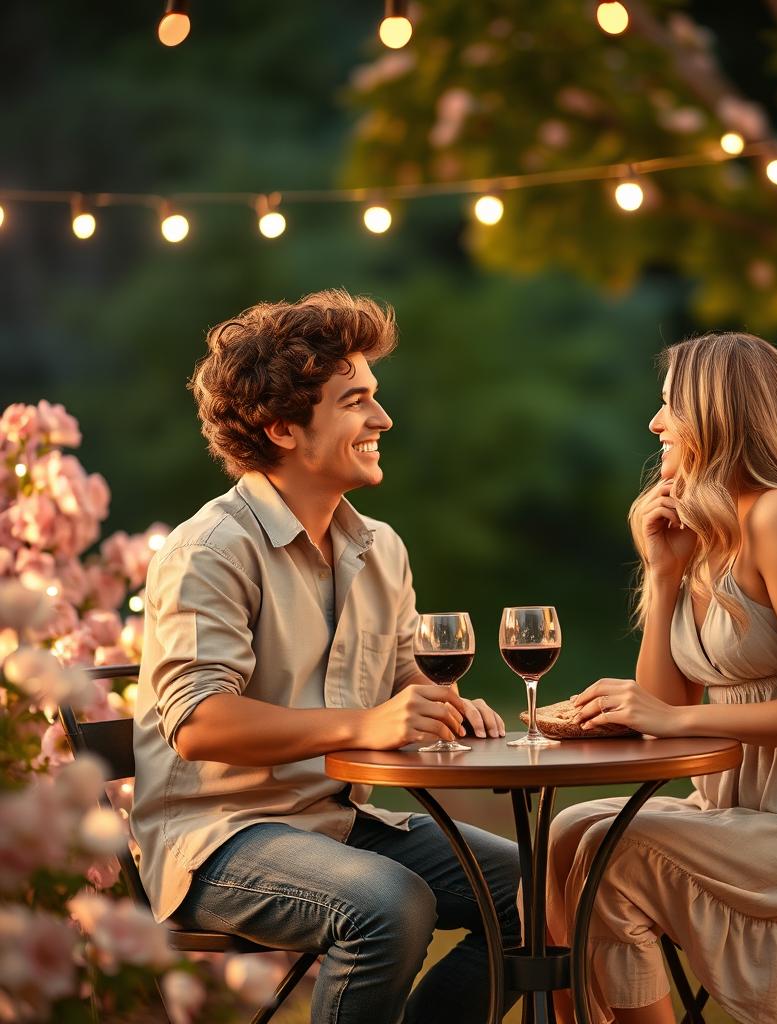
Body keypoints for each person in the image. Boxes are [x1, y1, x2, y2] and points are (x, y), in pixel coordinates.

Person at [130, 290, 521, 1024]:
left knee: (540, 892)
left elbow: (402, 676)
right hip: (218, 839)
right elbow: (199, 723)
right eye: (357, 402)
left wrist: (443, 705)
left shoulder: (379, 547)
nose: (383, 419)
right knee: (389, 905)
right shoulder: (210, 551)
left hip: (338, 823)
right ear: (281, 427)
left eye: (375, 397)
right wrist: (363, 725)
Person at [546, 332, 777, 1024]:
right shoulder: (708, 528)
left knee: (607, 851)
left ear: (720, 415)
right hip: (736, 810)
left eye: (670, 408)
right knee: (563, 835)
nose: (655, 424)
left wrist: (677, 721)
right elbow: (662, 702)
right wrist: (663, 576)